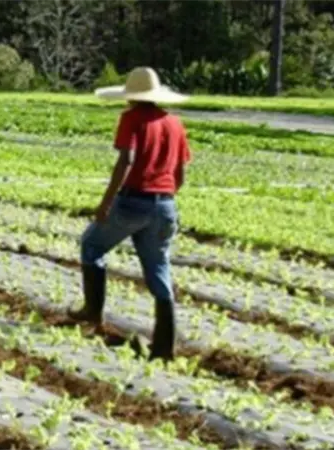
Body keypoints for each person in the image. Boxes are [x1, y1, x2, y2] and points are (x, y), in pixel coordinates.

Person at [67, 67, 191, 362]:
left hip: (133, 201)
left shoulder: (131, 119)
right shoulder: (174, 124)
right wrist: (165, 199)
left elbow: (127, 160)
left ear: (132, 97)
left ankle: (92, 313)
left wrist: (106, 202)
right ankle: (164, 346)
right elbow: (181, 173)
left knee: (92, 245)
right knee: (159, 269)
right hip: (165, 204)